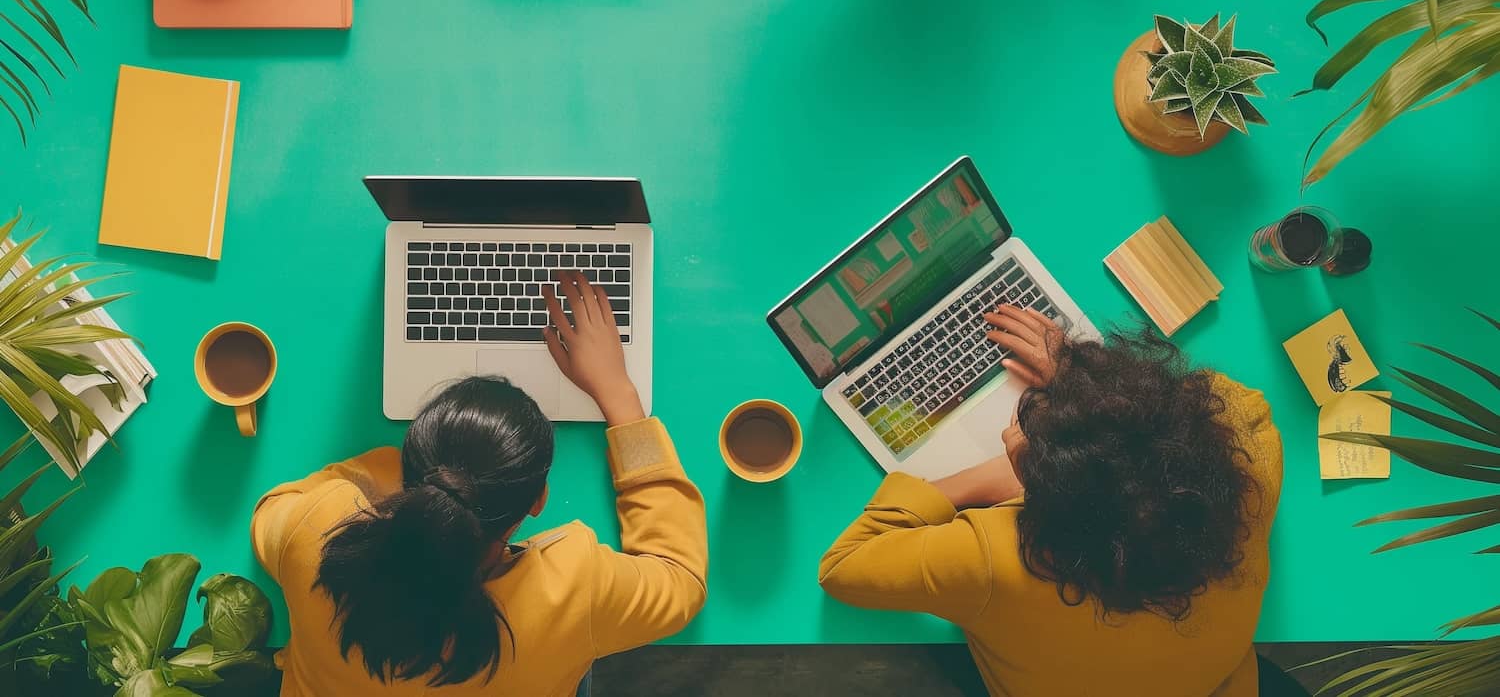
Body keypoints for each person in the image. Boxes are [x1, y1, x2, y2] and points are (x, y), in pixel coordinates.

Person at [251, 271, 707, 696]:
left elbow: (273, 511)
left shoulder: (314, 538)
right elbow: (681, 580)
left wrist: (399, 471)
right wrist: (620, 396)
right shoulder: (575, 594)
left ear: (414, 479)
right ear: (538, 501)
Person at [819, 306, 1283, 697]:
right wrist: (1082, 378)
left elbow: (842, 567)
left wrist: (985, 479)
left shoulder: (993, 560)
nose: (1009, 432)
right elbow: (1233, 402)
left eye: (1030, 445)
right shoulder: (1247, 456)